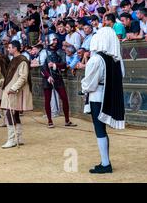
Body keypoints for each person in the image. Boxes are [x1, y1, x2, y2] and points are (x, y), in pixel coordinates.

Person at [81, 27, 125, 174]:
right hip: (107, 95)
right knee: (102, 130)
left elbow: (89, 84)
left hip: (97, 97)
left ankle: (106, 163)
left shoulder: (96, 59)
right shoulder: (115, 60)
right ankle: (105, 161)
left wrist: (83, 87)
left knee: (99, 130)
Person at [0, 40, 33, 149]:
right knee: (14, 114)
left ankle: (12, 139)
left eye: (9, 47)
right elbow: (10, 78)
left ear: (15, 48)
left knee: (10, 114)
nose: (8, 49)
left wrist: (13, 88)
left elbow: (23, 77)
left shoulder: (22, 60)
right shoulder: (14, 60)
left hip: (16, 92)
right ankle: (18, 138)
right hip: (12, 91)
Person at [39, 34, 77, 128]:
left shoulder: (60, 51)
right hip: (47, 78)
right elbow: (42, 67)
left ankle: (67, 120)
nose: (55, 41)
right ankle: (49, 121)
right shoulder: (43, 52)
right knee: (47, 100)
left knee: (64, 98)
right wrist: (48, 76)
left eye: (56, 40)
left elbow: (64, 64)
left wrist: (55, 65)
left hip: (57, 77)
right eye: (54, 40)